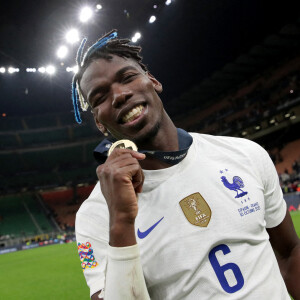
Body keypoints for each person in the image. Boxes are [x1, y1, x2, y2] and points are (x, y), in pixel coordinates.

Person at [74, 30, 300, 300]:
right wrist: (121, 220)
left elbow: (289, 253)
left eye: (127, 77)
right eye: (100, 97)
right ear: (99, 123)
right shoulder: (94, 216)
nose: (120, 95)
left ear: (153, 81)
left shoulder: (246, 154)